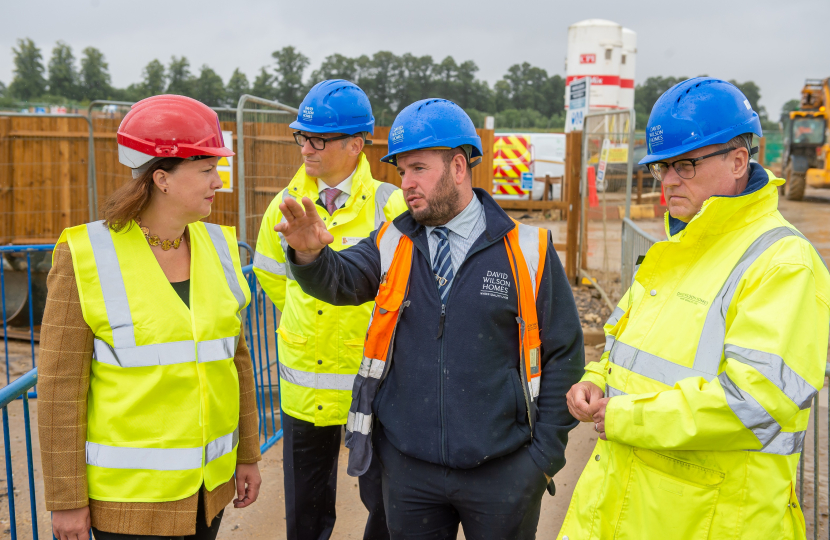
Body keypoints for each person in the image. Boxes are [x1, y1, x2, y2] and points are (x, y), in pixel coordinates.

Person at [272, 98, 584, 540]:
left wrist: (541, 460)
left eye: (418, 168)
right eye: (402, 171)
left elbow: (564, 355)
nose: (407, 183)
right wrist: (309, 253)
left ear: (458, 166)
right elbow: (338, 281)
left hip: (503, 474)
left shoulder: (527, 251)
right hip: (408, 475)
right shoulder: (391, 241)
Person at [560, 78, 830, 540]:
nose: (667, 181)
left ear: (738, 160)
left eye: (684, 165)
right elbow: (630, 350)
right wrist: (596, 379)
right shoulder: (680, 247)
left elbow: (757, 403)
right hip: (630, 503)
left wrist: (626, 415)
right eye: (663, 167)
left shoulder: (783, 264)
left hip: (712, 519)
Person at [38, 95, 262, 540]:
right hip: (127, 505)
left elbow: (235, 360)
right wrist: (65, 501)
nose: (218, 182)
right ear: (161, 177)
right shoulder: (86, 255)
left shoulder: (219, 249)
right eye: (206, 170)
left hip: (206, 493)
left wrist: (248, 454)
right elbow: (60, 389)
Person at [253, 79, 406, 540]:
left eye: (319, 138)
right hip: (306, 380)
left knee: (384, 505)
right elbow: (274, 281)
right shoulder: (284, 207)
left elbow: (403, 291)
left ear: (357, 143)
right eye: (302, 135)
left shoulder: (390, 206)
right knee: (306, 511)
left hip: (373, 382)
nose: (307, 148)